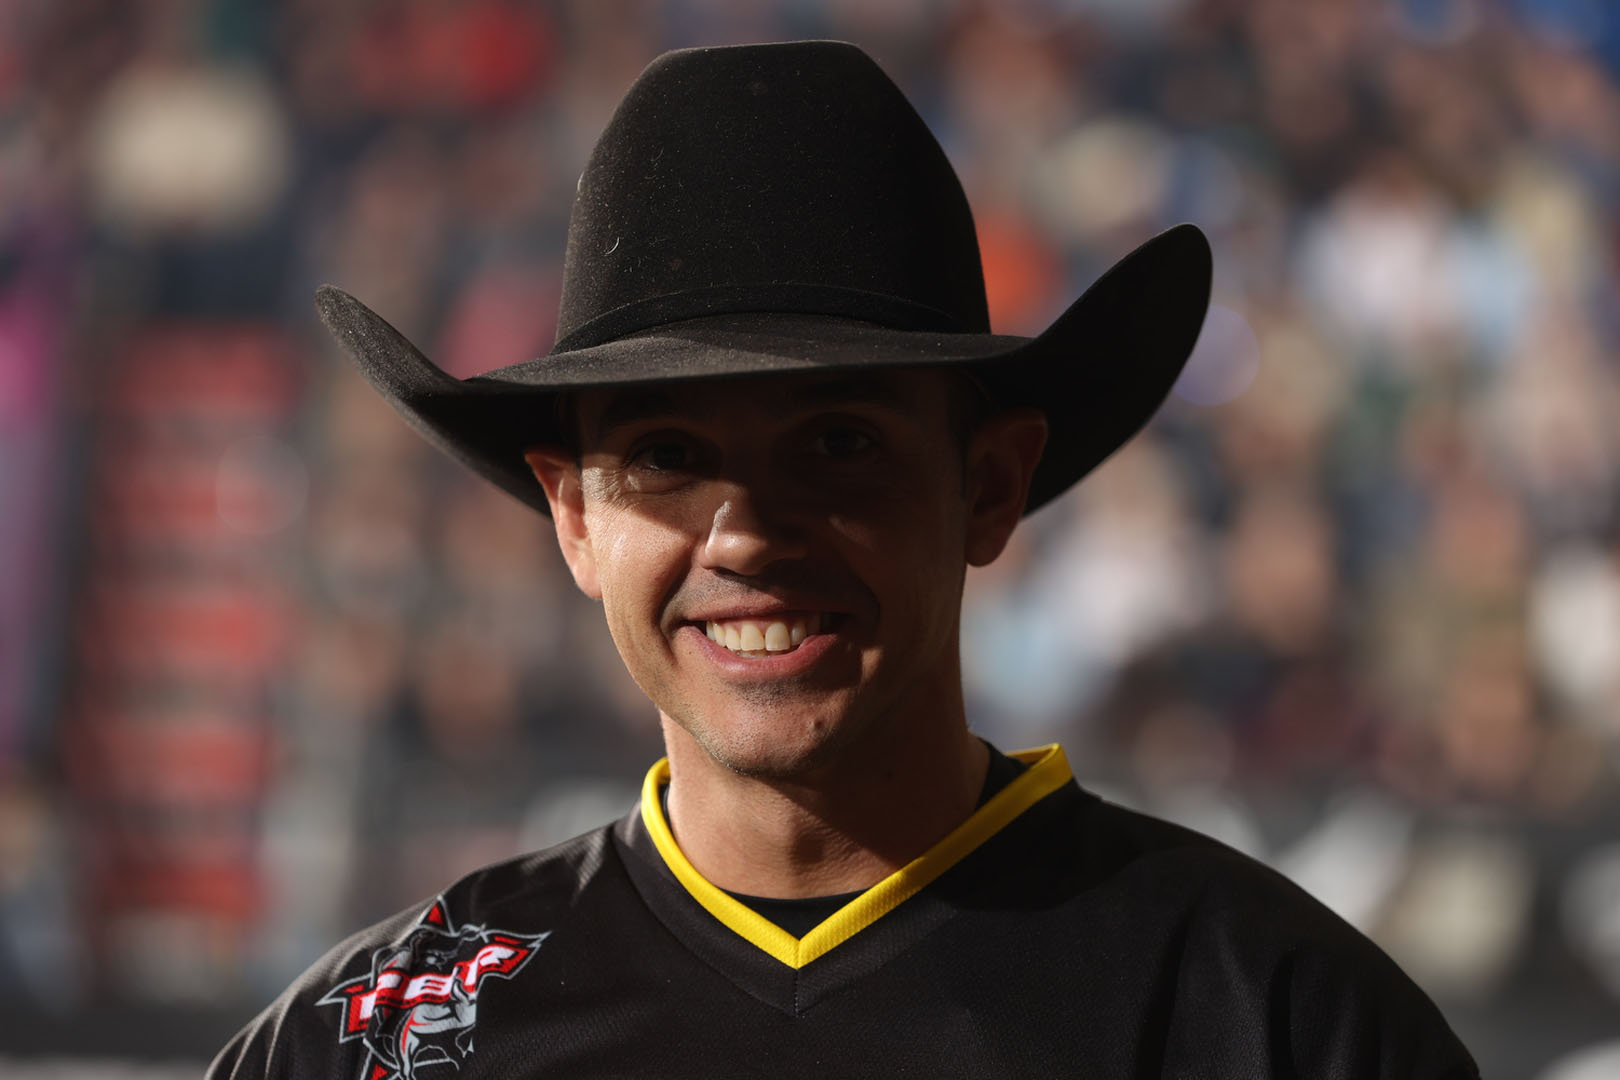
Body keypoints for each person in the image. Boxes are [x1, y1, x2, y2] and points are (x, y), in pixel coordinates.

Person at [210, 40, 1477, 1079]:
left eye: (837, 442)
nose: (748, 532)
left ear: (990, 487)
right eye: (666, 454)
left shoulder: (1276, 1020)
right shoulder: (368, 1046)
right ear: (575, 519)